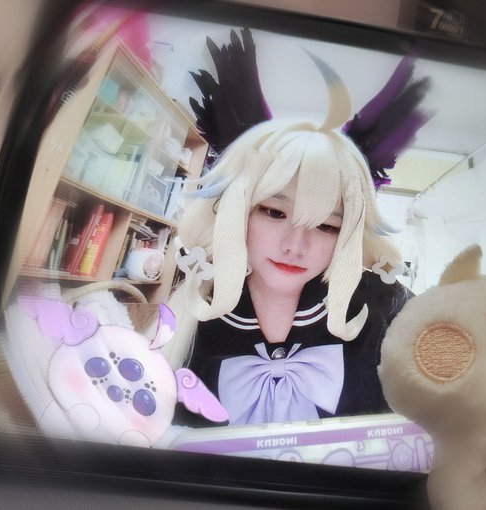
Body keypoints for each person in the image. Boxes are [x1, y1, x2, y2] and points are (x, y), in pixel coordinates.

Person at [163, 29, 430, 426]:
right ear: (238, 210)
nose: (295, 245)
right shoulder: (193, 306)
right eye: (274, 212)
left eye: (326, 225)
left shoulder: (387, 307)